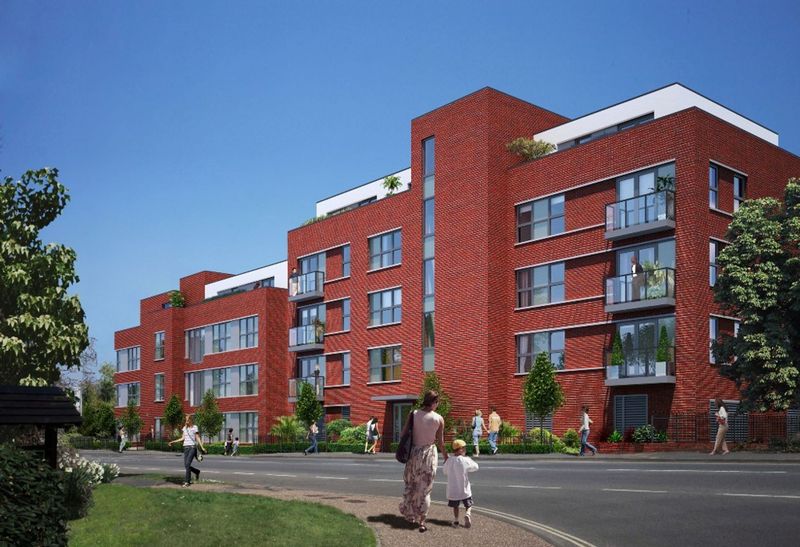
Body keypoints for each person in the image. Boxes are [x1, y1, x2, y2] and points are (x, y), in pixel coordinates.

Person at [399, 390, 448, 533]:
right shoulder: (439, 419)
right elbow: (441, 442)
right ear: (434, 402)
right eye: (437, 402)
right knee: (425, 489)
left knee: (412, 484)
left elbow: (403, 434)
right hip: (429, 455)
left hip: (414, 454)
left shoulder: (413, 414)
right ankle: (422, 521)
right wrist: (446, 457)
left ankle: (410, 515)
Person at [444, 439, 479, 528]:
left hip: (453, 489)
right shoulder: (465, 460)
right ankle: (468, 513)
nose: (465, 450)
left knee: (455, 506)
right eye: (464, 448)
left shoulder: (449, 460)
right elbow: (476, 467)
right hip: (464, 488)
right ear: (460, 449)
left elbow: (445, 471)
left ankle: (456, 521)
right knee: (469, 504)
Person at [168, 415, 205, 488]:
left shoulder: (195, 427)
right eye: (186, 420)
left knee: (187, 464)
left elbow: (197, 438)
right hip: (186, 448)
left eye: (187, 420)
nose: (186, 421)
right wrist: (173, 441)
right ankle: (196, 471)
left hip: (192, 448)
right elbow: (182, 438)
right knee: (186, 465)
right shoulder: (184, 428)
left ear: (191, 420)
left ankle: (187, 482)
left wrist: (202, 447)